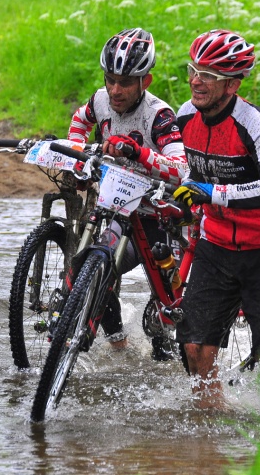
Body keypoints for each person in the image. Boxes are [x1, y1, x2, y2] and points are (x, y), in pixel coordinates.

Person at [173, 29, 260, 407]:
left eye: (208, 75)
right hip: (215, 244)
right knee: (195, 348)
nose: (196, 81)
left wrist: (214, 193)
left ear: (232, 84)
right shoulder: (185, 116)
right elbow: (185, 169)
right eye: (193, 70)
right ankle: (212, 425)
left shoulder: (253, 123)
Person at [67, 27, 187, 359]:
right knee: (97, 266)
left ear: (145, 81)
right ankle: (119, 345)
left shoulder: (159, 116)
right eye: (110, 80)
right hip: (120, 208)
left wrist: (139, 153)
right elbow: (79, 120)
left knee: (163, 320)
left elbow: (181, 169)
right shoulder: (100, 100)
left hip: (158, 216)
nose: (115, 90)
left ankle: (165, 346)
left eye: (125, 83)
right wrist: (78, 156)